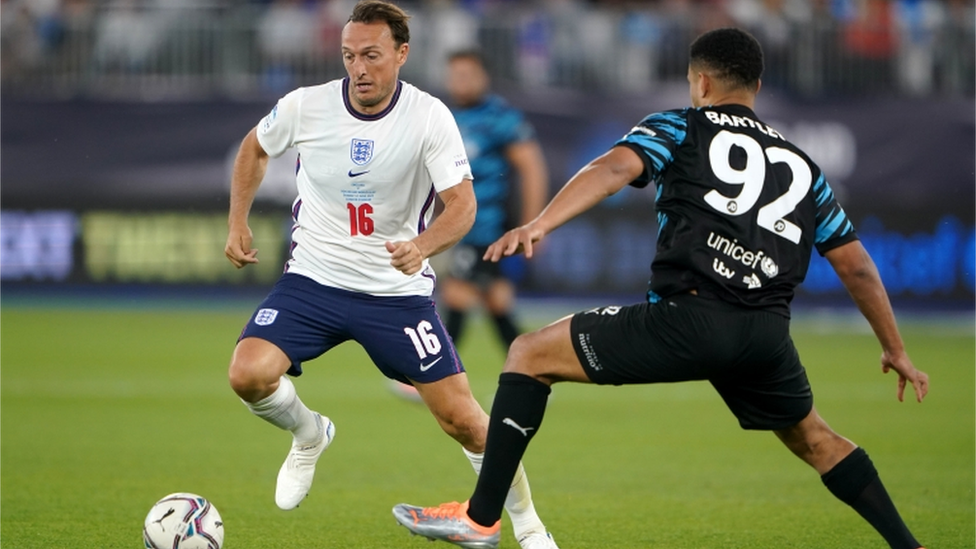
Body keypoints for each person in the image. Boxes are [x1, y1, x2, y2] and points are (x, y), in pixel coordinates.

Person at [392, 28, 930, 549]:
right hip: (766, 336)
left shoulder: (681, 126)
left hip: (688, 320)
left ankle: (481, 519)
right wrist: (895, 348)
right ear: (757, 88)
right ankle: (909, 544)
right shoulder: (802, 166)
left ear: (699, 82)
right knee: (816, 439)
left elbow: (612, 168)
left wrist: (539, 224)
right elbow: (855, 265)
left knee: (529, 353)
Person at [224, 2, 558, 548]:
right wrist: (237, 221)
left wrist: (422, 247)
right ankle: (309, 435)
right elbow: (255, 148)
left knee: (468, 423)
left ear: (402, 54)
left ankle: (528, 525)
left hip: (395, 294)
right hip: (313, 280)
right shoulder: (306, 106)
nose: (359, 68)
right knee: (247, 374)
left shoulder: (429, 117)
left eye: (372, 56)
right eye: (350, 56)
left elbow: (463, 206)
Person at [440, 49, 548, 351]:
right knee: (497, 299)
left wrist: (534, 223)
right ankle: (531, 370)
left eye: (466, 75)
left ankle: (430, 378)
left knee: (457, 294)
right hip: (460, 226)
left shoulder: (500, 118)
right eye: (454, 75)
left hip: (487, 226)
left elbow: (532, 168)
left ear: (483, 77)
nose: (459, 82)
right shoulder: (448, 117)